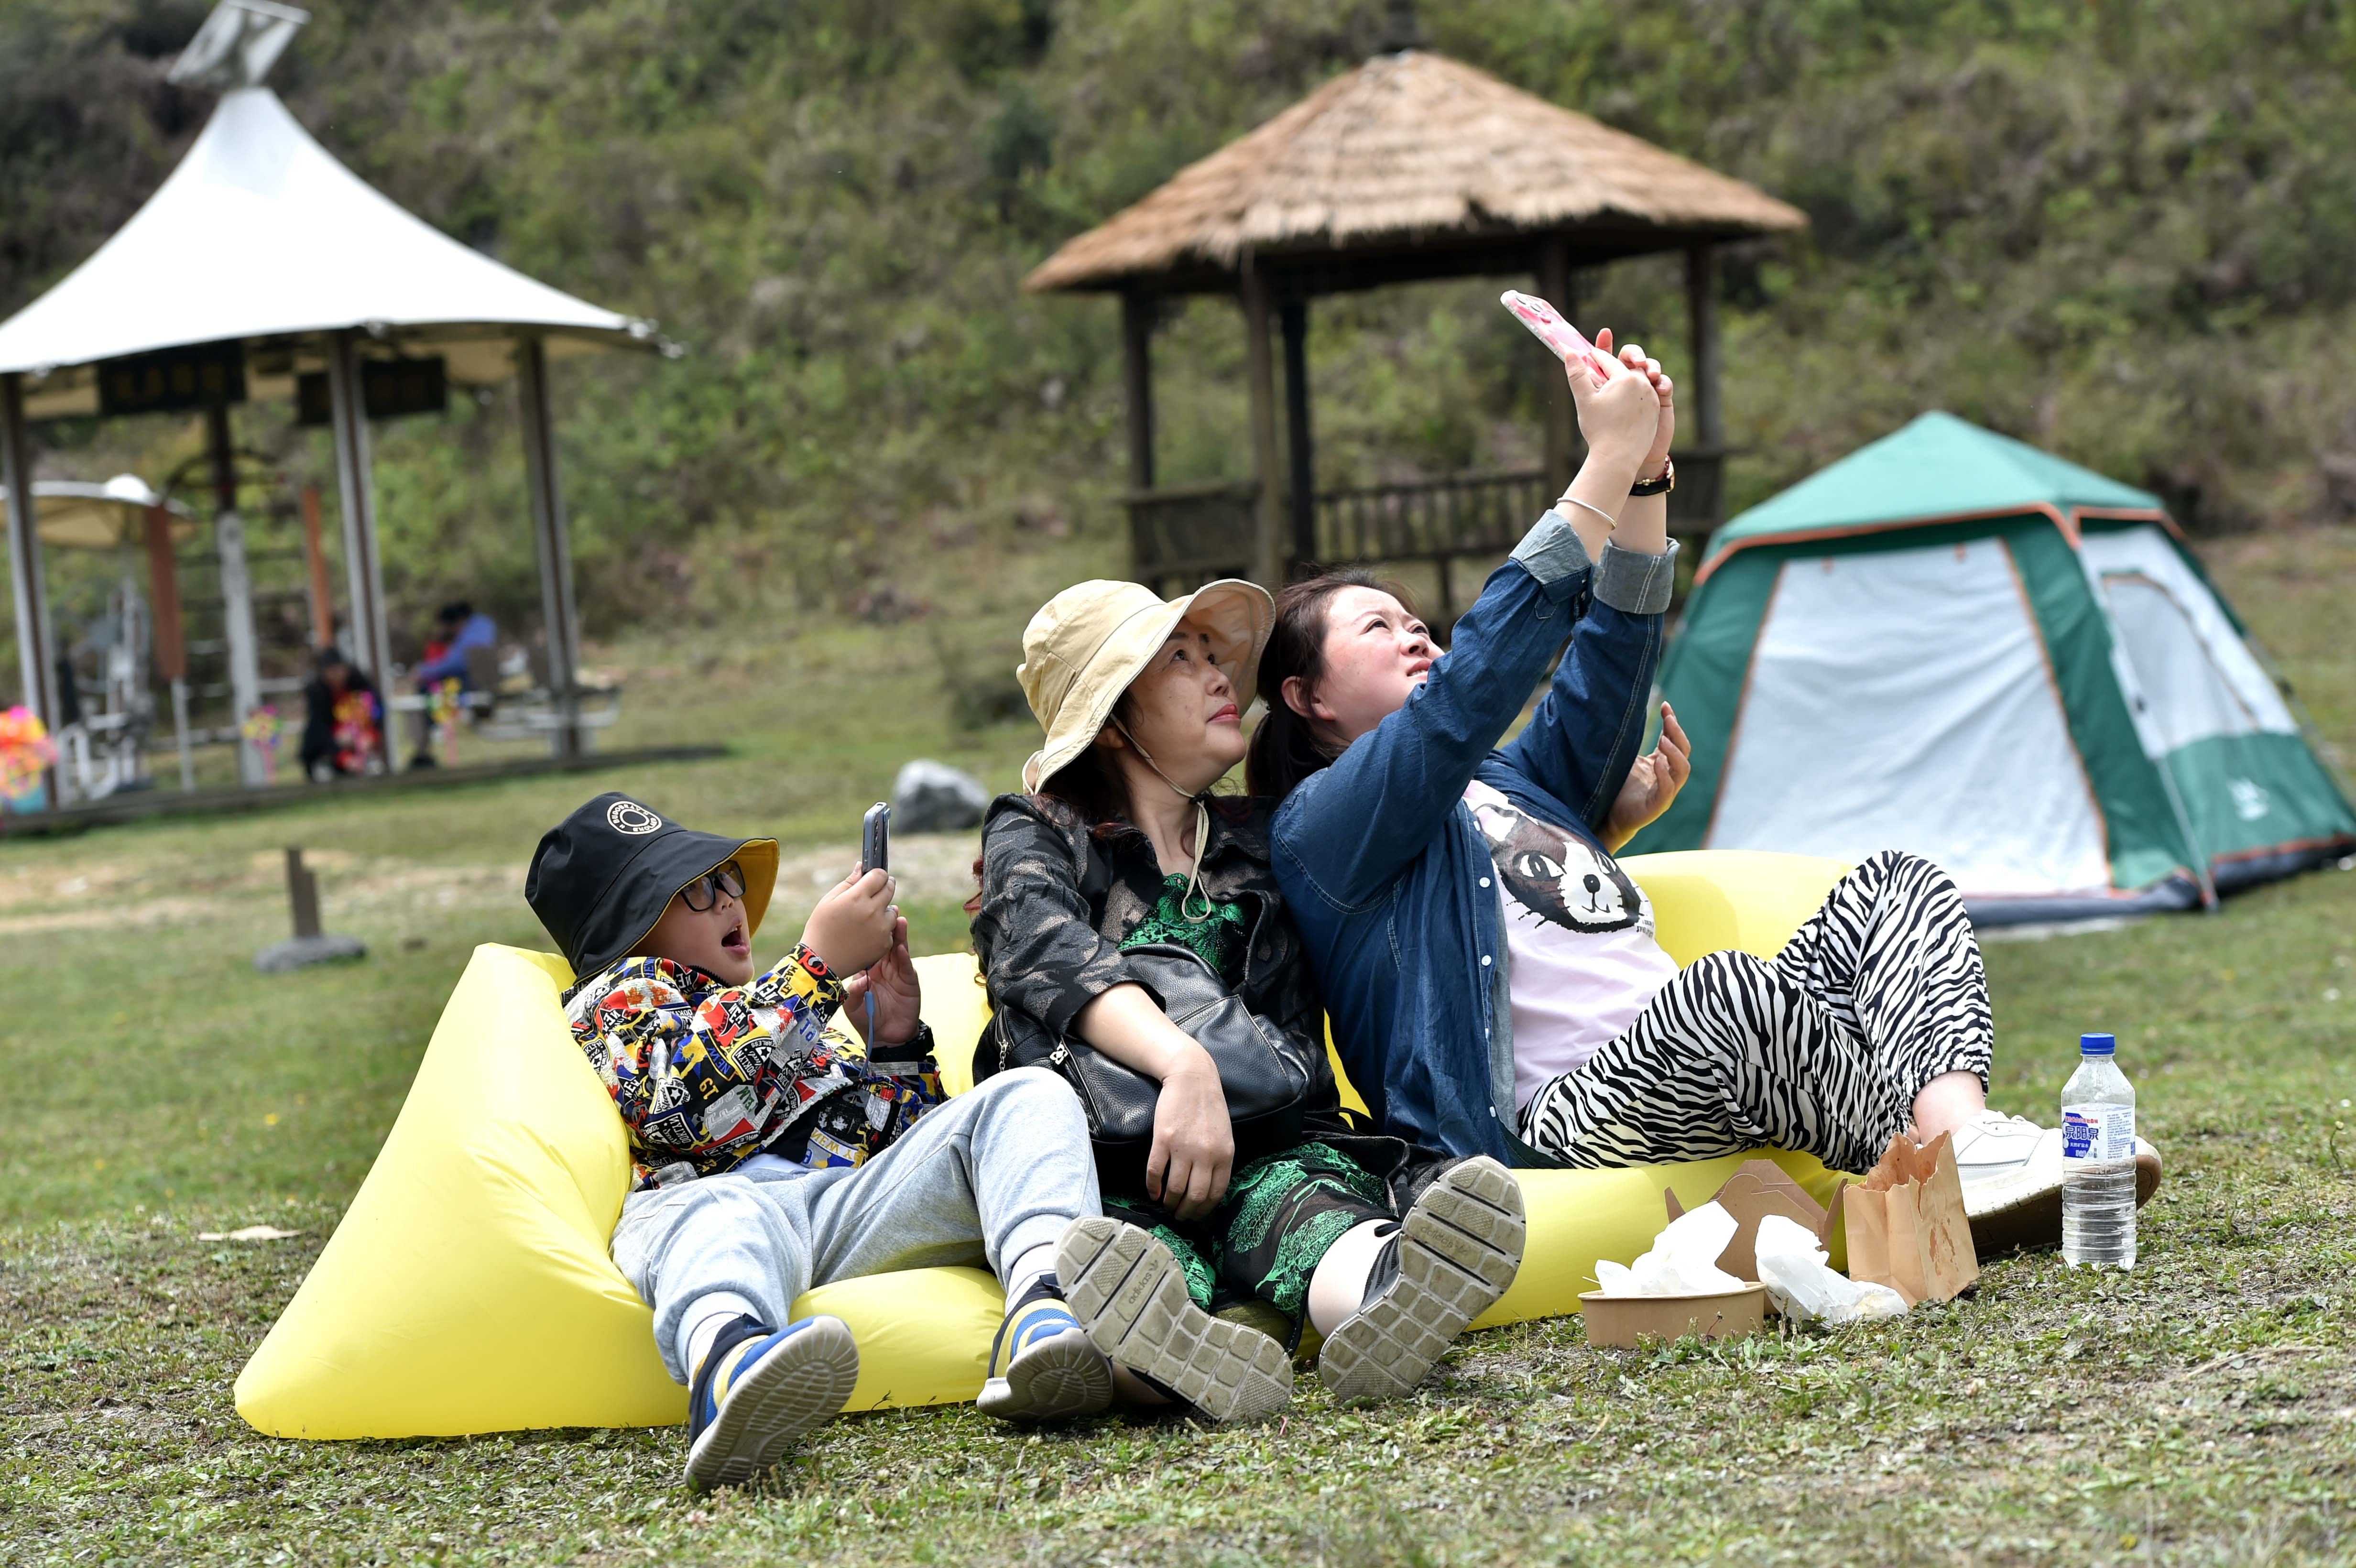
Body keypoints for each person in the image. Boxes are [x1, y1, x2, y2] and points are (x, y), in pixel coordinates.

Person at [1252, 334, 2162, 1253]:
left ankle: (1964, 1142)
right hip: (1553, 1118)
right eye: (1376, 628)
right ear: (1306, 697)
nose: (1417, 635)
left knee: (1896, 882)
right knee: (1722, 992)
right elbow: (1468, 693)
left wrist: (1645, 480)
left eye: (1416, 621)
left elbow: (1606, 676)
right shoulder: (1320, 830)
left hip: (1698, 1056)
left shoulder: (1501, 783)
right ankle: (1933, 1164)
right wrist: (1603, 461)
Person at [527, 792, 1200, 1490]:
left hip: (844, 1211)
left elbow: (906, 1147)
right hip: (719, 1200)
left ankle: (1045, 1310)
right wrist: (814, 967)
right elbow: (685, 1110)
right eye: (695, 891)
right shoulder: (624, 994)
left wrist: (896, 1045)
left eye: (726, 879)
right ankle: (729, 1363)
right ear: (630, 927)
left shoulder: (775, 1008)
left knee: (1028, 1094)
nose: (729, 899)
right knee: (717, 1218)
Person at [972, 579, 1528, 1413]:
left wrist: (1603, 822)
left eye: (1214, 655)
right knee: (1125, 1264)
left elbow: (1405, 829)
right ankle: (1158, 1358)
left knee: (1317, 1215)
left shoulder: (1268, 837)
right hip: (1107, 1158)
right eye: (1180, 660)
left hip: (1269, 1141)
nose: (1219, 677)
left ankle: (1384, 1295)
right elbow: (1042, 952)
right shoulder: (1038, 829)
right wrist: (1184, 1066)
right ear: (1113, 719)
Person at [408, 601, 496, 766]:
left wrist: (423, 671)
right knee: (424, 698)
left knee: (421, 697)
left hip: (468, 688)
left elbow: (454, 664)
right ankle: (423, 750)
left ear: (459, 622)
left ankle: (422, 751)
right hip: (476, 686)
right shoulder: (485, 626)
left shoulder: (469, 636)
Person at [299, 647, 381, 780]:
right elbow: (318, 727)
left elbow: (376, 709)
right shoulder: (316, 692)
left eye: (340, 670)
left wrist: (369, 735)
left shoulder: (359, 683)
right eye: (332, 672)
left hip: (359, 736)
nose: (337, 676)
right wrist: (337, 746)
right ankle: (324, 765)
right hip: (329, 743)